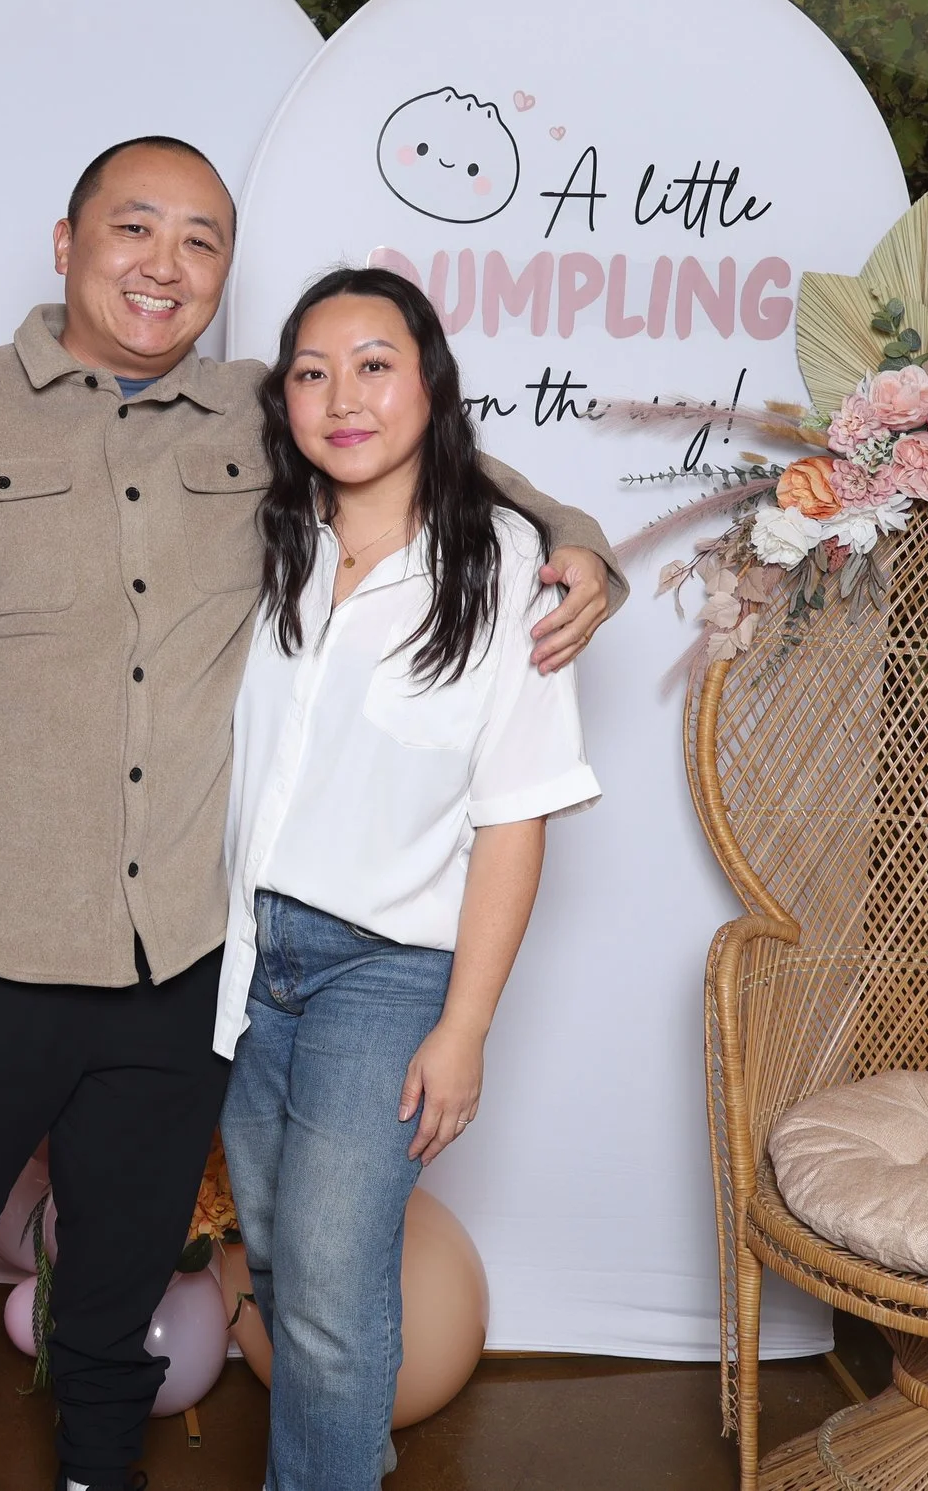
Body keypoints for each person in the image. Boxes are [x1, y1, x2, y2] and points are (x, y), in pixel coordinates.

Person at [0, 137, 625, 1491]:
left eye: (202, 242)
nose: (164, 265)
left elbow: (441, 463)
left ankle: (98, 1466)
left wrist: (583, 542)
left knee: (121, 1252)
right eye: (135, 229)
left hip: (179, 945)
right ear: (65, 243)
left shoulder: (262, 410)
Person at [217, 267, 601, 1491]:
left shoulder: (504, 569)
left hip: (385, 971)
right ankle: (350, 1449)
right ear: (281, 398)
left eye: (374, 364)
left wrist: (466, 1025)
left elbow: (515, 813)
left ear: (429, 385)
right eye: (312, 371)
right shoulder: (259, 543)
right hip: (240, 952)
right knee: (275, 1251)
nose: (343, 396)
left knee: (329, 1280)